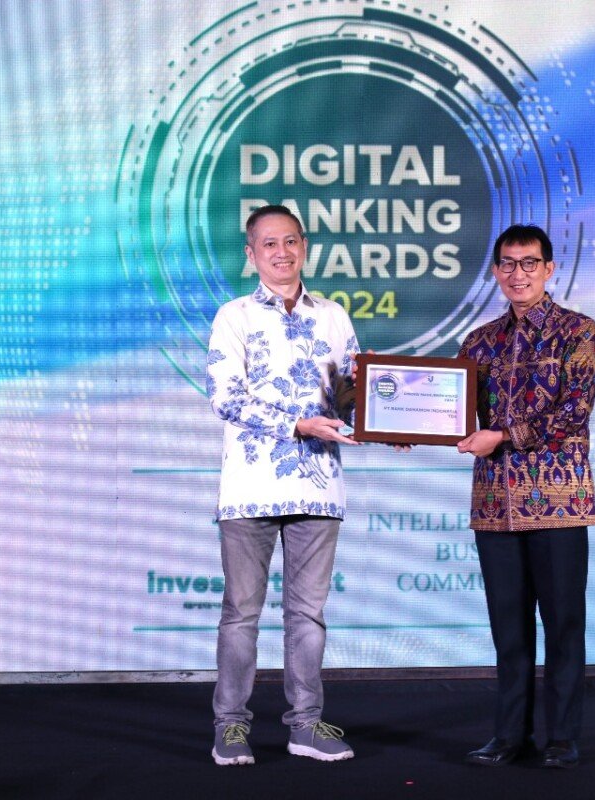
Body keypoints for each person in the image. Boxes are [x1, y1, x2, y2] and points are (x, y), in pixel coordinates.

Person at [205, 204, 360, 765]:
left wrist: (389, 424)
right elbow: (225, 398)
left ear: (305, 247)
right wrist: (298, 425)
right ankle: (230, 727)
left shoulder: (334, 316)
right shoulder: (235, 316)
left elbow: (353, 392)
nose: (281, 252)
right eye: (269, 243)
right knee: (241, 614)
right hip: (249, 487)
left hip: (318, 487)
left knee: (308, 615)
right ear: (251, 255)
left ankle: (306, 725)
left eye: (290, 241)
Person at [456, 224, 595, 769]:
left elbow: (573, 412)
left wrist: (501, 436)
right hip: (495, 505)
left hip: (559, 501)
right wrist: (400, 423)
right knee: (508, 629)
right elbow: (453, 410)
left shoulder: (577, 331)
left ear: (548, 269)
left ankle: (562, 738)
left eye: (529, 263)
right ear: (496, 271)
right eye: (508, 264)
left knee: (563, 625)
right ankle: (509, 736)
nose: (518, 274)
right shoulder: (478, 341)